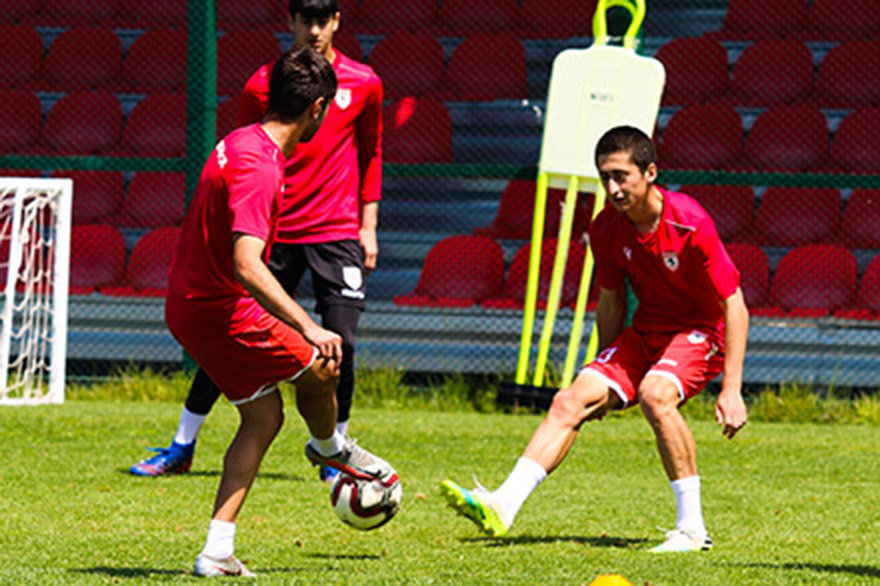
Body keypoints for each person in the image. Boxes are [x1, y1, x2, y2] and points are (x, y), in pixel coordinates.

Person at [440, 126, 749, 553]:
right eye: (605, 177)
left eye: (621, 175)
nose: (612, 187)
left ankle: (692, 530)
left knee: (655, 394)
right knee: (569, 400)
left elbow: (734, 304)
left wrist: (732, 389)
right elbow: (610, 301)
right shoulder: (605, 228)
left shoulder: (689, 220)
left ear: (651, 172)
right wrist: (607, 374)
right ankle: (503, 505)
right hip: (644, 334)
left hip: (700, 332)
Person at [130, 0, 383, 483]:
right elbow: (255, 145)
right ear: (289, 22)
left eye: (322, 19)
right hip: (271, 230)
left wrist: (368, 224)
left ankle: (336, 454)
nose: (313, 30)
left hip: (335, 228)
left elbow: (372, 151)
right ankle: (183, 443)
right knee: (229, 332)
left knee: (340, 345)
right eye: (304, 20)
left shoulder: (365, 82)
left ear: (336, 21)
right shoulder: (261, 94)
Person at [165, 47, 391, 577]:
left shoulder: (238, 139)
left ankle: (216, 550)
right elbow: (247, 264)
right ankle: (331, 449)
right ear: (316, 111)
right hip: (221, 308)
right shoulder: (259, 166)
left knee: (264, 418)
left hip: (188, 303)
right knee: (323, 361)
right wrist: (308, 325)